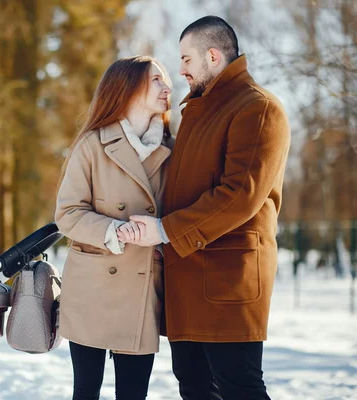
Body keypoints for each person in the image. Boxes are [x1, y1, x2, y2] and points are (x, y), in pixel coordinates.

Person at [120, 16, 291, 400]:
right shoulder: (198, 112)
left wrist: (163, 230)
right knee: (194, 387)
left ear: (212, 56)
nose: (180, 70)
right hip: (187, 283)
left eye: (185, 59)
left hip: (228, 283)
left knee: (238, 388)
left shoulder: (257, 108)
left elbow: (239, 195)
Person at [55, 55, 173, 400]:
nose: (167, 87)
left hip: (142, 288)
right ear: (128, 87)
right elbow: (68, 213)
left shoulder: (172, 150)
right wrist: (113, 231)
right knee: (85, 392)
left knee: (134, 394)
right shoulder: (92, 145)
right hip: (92, 288)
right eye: (156, 80)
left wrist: (160, 230)